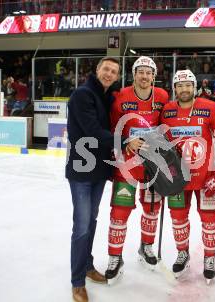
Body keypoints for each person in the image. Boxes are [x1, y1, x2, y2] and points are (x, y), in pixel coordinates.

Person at [66, 57, 138, 302]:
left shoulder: (107, 98)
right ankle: (77, 282)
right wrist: (126, 141)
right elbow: (92, 130)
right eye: (106, 69)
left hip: (98, 171)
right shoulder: (82, 95)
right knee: (82, 225)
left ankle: (87, 266)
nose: (109, 73)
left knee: (92, 221)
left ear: (117, 77)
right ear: (97, 70)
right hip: (81, 171)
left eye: (114, 71)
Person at [160, 69, 215, 283]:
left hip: (206, 176)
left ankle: (209, 259)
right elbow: (162, 143)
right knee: (178, 218)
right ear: (175, 88)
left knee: (210, 220)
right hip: (178, 178)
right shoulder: (167, 111)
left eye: (188, 85)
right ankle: (182, 253)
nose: (184, 89)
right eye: (180, 85)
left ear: (195, 87)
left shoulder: (209, 107)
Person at [105, 56, 169, 281]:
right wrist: (125, 140)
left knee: (152, 209)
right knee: (119, 212)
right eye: (140, 72)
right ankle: (115, 256)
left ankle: (146, 246)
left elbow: (167, 126)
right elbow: (110, 127)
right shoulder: (120, 97)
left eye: (148, 72)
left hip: (152, 164)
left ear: (154, 76)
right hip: (127, 165)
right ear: (134, 74)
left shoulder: (162, 96)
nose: (144, 76)